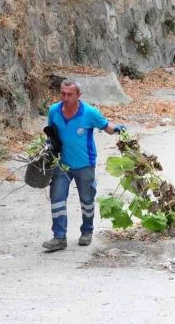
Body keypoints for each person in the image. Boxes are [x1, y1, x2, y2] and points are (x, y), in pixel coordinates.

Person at [42, 79, 125, 251]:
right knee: (57, 199)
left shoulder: (89, 112)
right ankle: (59, 237)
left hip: (85, 164)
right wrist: (47, 149)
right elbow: (51, 133)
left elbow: (106, 127)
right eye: (63, 94)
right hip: (62, 164)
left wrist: (118, 129)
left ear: (79, 95)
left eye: (69, 94)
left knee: (87, 200)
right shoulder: (54, 110)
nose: (65, 98)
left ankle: (87, 231)